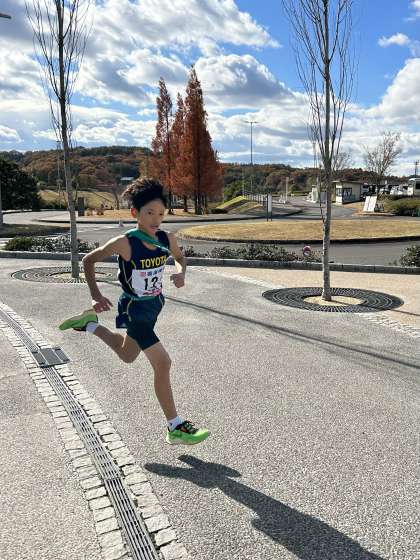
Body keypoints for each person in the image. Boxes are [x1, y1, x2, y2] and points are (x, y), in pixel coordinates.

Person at [59, 178, 210, 446]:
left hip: (153, 307)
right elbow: (88, 260)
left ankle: (90, 324)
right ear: (135, 213)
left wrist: (180, 272)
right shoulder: (125, 242)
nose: (156, 219)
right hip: (133, 310)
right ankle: (175, 426)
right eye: (149, 213)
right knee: (163, 363)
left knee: (127, 355)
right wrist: (96, 295)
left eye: (161, 214)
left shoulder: (165, 238)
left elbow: (180, 258)